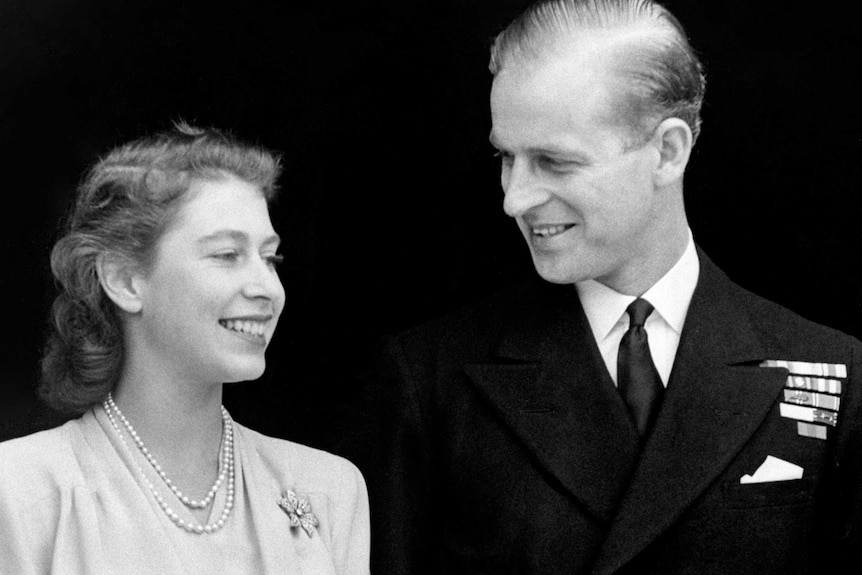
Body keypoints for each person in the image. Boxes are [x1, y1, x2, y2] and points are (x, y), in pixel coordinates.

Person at [348, 1, 862, 573]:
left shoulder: (834, 373)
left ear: (667, 152)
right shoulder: (430, 380)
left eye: (555, 162)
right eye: (505, 157)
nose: (513, 198)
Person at [0, 124, 370, 574]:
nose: (268, 289)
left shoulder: (328, 490)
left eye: (270, 258)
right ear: (123, 279)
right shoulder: (21, 494)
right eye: (227, 254)